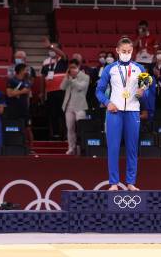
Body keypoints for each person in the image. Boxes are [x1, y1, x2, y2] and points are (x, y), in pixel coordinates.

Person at [95, 37, 146, 191]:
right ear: (117, 50)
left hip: (133, 112)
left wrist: (143, 90)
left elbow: (147, 87)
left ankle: (130, 182)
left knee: (132, 148)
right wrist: (107, 103)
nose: (126, 54)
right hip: (114, 112)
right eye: (123, 51)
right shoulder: (110, 68)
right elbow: (98, 91)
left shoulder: (140, 68)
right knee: (113, 148)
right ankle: (114, 183)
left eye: (129, 51)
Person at [60, 59, 89, 155]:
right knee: (70, 128)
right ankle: (71, 148)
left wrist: (73, 79)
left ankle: (81, 147)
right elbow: (62, 87)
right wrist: (66, 77)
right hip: (68, 106)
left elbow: (81, 87)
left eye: (73, 67)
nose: (72, 69)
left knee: (81, 128)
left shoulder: (85, 77)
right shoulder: (68, 76)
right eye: (70, 67)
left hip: (80, 106)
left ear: (78, 67)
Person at [40, 40, 68, 139]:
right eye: (51, 48)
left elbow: (63, 54)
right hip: (50, 92)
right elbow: (43, 78)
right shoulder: (46, 62)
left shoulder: (63, 59)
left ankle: (65, 134)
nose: (51, 50)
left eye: (54, 48)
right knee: (53, 114)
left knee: (63, 114)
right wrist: (42, 93)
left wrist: (50, 46)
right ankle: (55, 134)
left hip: (62, 92)